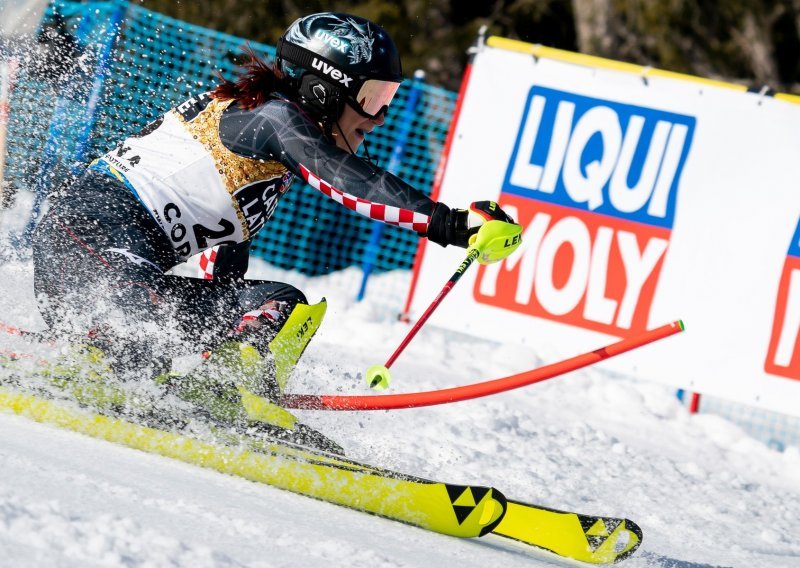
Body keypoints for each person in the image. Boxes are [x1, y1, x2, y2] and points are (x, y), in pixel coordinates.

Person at [31, 12, 520, 446]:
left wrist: (215, 340)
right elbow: (345, 179)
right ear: (324, 88)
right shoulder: (274, 118)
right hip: (85, 242)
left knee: (280, 303)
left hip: (125, 273)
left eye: (388, 99)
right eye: (372, 98)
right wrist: (450, 223)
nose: (379, 118)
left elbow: (222, 260)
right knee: (137, 353)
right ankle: (104, 358)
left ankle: (221, 390)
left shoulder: (271, 144)